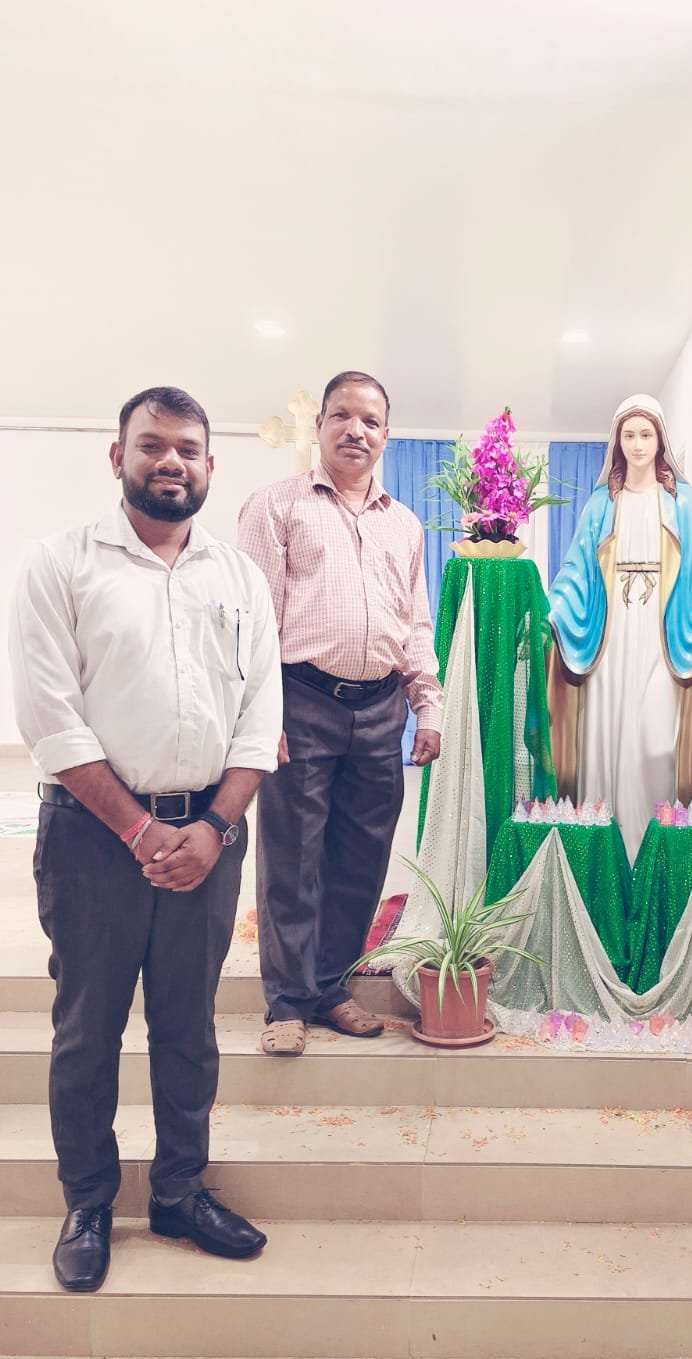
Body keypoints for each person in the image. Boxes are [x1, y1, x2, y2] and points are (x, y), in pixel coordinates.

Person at [9, 386, 282, 1293]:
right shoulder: (61, 564)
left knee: (187, 1026)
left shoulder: (239, 577)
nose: (171, 462)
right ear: (117, 455)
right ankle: (88, 1201)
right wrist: (137, 829)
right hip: (92, 838)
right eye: (153, 445)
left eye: (188, 449)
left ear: (210, 465)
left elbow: (261, 718)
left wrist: (214, 826)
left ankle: (179, 1192)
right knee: (88, 1028)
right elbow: (49, 717)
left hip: (210, 834)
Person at [239, 370, 442, 1057]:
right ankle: (286, 1003)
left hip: (381, 707)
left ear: (386, 435)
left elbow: (416, 623)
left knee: (362, 859)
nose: (358, 430)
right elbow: (253, 624)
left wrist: (427, 705)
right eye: (344, 416)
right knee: (293, 859)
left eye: (372, 421)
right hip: (301, 700)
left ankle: (330, 987)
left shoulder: (404, 524)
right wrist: (262, 716)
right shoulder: (277, 506)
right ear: (321, 424)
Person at [548, 395, 692, 861]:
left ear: (660, 440)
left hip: (662, 637)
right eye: (629, 435)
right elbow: (575, 572)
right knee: (604, 737)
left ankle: (655, 854)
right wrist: (551, 617)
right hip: (609, 638)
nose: (637, 445)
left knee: (657, 742)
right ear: (617, 441)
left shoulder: (681, 502)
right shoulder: (601, 503)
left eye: (646, 435)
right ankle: (606, 856)